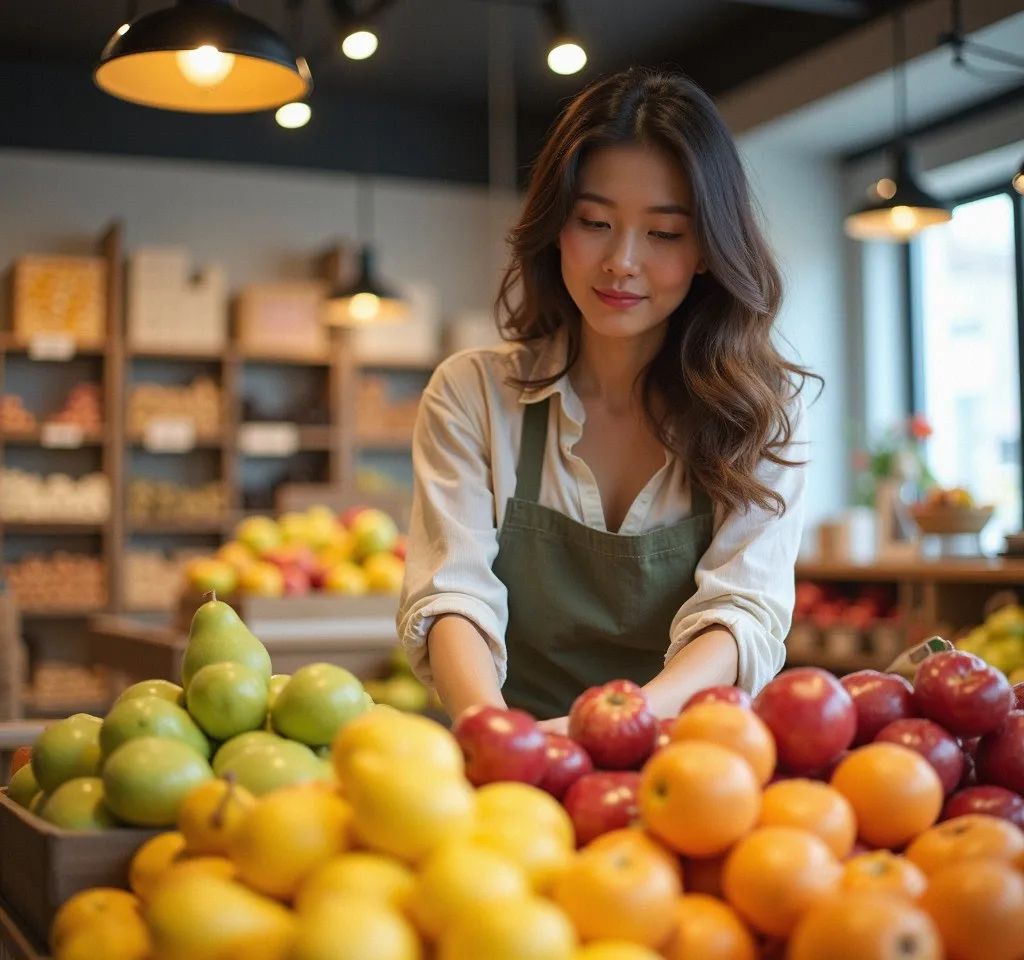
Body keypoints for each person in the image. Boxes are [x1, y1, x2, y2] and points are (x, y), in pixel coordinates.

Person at [397, 67, 819, 731]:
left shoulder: (761, 412)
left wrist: (617, 725)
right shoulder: (472, 395)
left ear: (708, 248)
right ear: (555, 226)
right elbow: (453, 595)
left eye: (664, 234)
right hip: (512, 754)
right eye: (594, 221)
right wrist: (498, 737)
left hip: (693, 764)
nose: (622, 261)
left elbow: (744, 613)